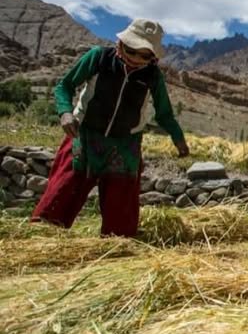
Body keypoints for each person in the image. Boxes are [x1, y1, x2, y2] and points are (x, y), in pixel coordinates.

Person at [31, 18, 188, 237]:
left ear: (152, 57)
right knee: (61, 193)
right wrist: (65, 112)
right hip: (84, 135)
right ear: (120, 44)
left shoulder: (152, 76)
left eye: (144, 56)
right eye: (131, 50)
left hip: (125, 144)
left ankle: (115, 248)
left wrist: (178, 139)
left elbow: (164, 114)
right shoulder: (98, 58)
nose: (135, 59)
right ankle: (42, 239)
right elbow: (65, 86)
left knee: (120, 210)